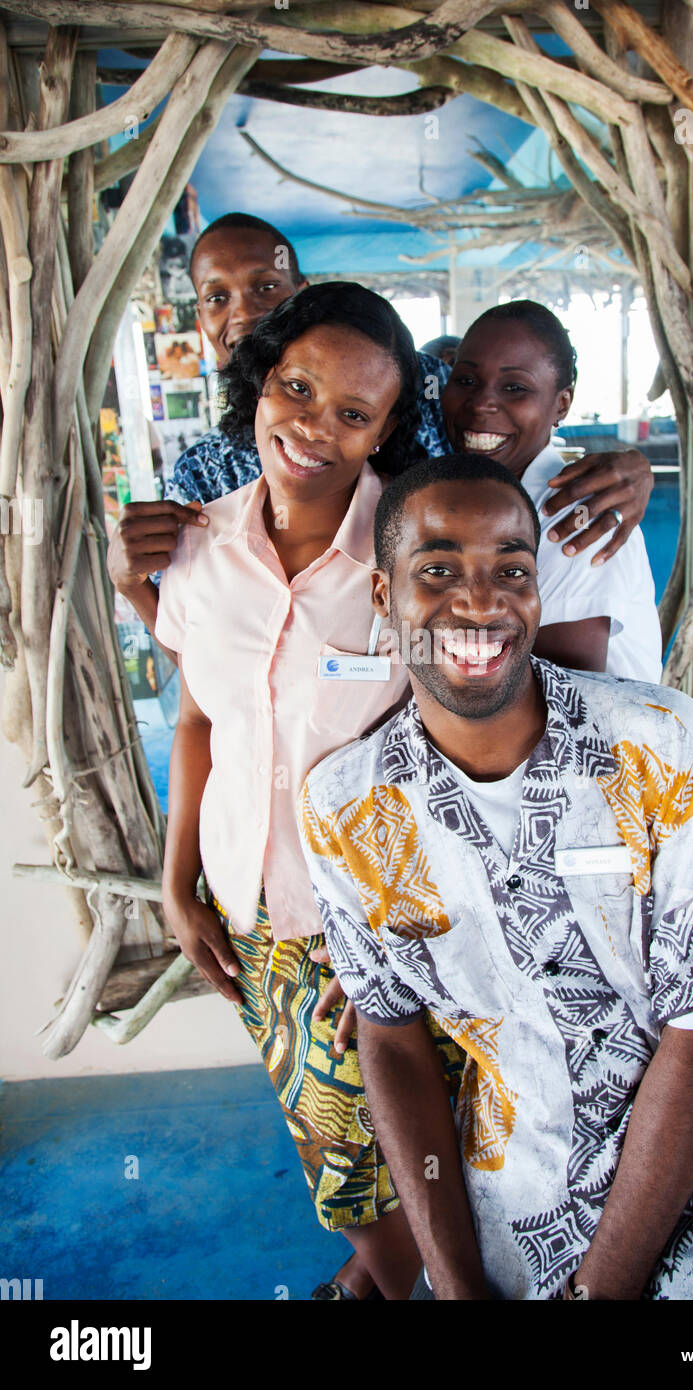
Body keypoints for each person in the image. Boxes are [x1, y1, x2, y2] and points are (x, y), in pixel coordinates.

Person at [298, 455, 693, 1301]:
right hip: (516, 1168)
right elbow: (389, 1035)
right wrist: (456, 1282)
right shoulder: (345, 806)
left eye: (512, 568)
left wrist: (599, 1291)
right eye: (437, 569)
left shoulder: (667, 747)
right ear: (383, 598)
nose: (481, 599)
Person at [155, 283, 463, 1301]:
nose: (313, 427)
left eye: (353, 412)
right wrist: (177, 885)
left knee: (390, 1164)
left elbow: (453, 754)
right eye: (297, 387)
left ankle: (386, 1278)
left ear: (384, 432)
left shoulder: (414, 555)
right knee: (325, 1144)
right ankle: (378, 1272)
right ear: (260, 379)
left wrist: (394, 932)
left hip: (368, 931)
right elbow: (198, 719)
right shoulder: (197, 547)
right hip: (251, 922)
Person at [108, 214, 656, 641]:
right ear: (199, 317)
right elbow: (194, 654)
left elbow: (509, 416)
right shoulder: (203, 473)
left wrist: (630, 465)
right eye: (217, 297)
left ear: (303, 293)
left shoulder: (419, 387)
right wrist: (130, 585)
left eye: (266, 287)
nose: (245, 314)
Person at [441, 300, 661, 679]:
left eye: (514, 388)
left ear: (562, 404)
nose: (481, 404)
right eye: (466, 380)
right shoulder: (459, 495)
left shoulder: (576, 517)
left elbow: (560, 697)